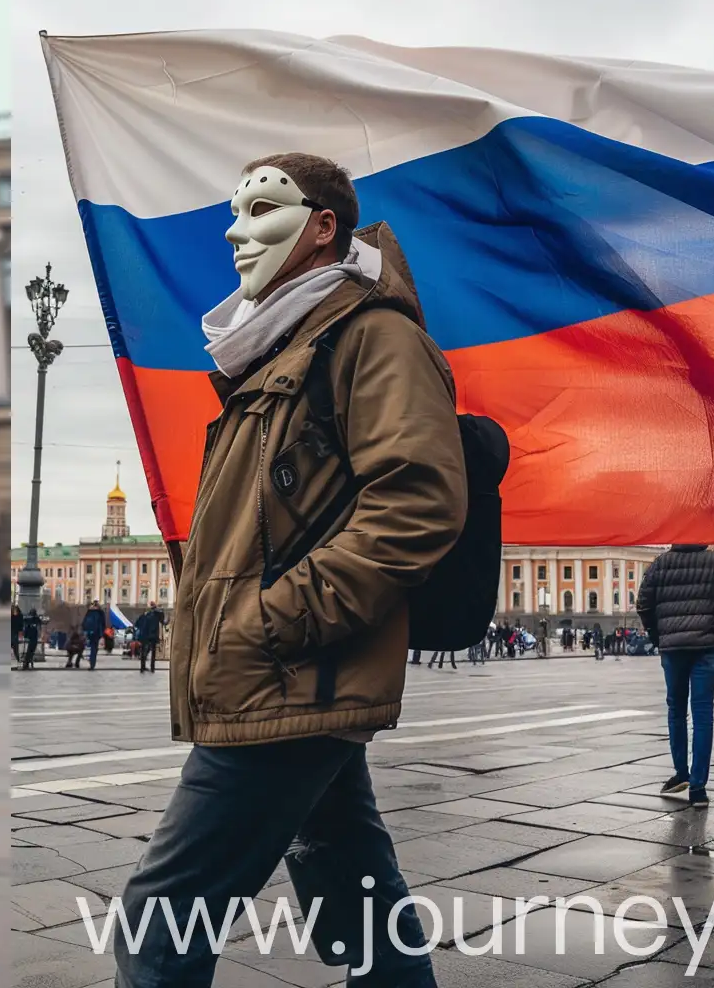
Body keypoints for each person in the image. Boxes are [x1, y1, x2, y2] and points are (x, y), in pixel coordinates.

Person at [115, 153, 466, 988]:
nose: (237, 233)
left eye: (262, 211)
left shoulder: (372, 338)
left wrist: (275, 620)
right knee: (354, 894)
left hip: (290, 674)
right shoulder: (278, 349)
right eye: (233, 214)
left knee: (159, 920)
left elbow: (418, 501)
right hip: (293, 676)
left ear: (322, 227)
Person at [635, 544, 714, 806]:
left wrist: (658, 635)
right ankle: (698, 788)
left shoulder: (660, 564)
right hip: (707, 647)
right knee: (703, 714)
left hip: (673, 648)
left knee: (676, 710)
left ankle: (681, 772)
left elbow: (643, 604)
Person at [133, 602, 164, 673]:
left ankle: (142, 668)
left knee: (144, 651)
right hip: (152, 636)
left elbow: (137, 624)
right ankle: (152, 668)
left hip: (144, 635)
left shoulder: (144, 615)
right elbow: (162, 620)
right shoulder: (156, 615)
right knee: (153, 652)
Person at [79, 599, 104, 673]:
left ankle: (89, 660)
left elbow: (83, 622)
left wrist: (84, 630)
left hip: (88, 632)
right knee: (94, 648)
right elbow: (103, 624)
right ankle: (92, 664)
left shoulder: (88, 612)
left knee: (87, 646)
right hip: (96, 633)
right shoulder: (100, 613)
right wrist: (101, 635)